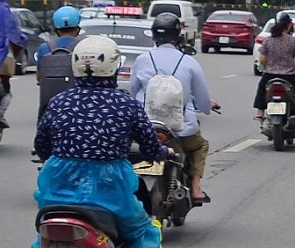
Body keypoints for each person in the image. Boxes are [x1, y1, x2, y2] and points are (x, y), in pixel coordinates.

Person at [32, 36, 172, 248]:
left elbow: (42, 145)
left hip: (56, 185)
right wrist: (164, 152)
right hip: (111, 186)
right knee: (144, 232)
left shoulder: (59, 102)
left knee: (44, 237)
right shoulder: (127, 104)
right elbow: (150, 147)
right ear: (114, 67)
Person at [130, 13, 218, 205]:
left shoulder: (142, 60)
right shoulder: (189, 62)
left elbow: (132, 92)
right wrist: (205, 108)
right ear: (178, 35)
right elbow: (203, 101)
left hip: (145, 125)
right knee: (200, 145)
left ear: (154, 36)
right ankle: (195, 189)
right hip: (180, 128)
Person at [253, 11, 295, 123]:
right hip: (289, 76)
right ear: (289, 25)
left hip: (270, 76)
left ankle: (260, 111)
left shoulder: (268, 40)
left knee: (261, 87)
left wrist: (267, 67)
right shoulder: (293, 41)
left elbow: (262, 59)